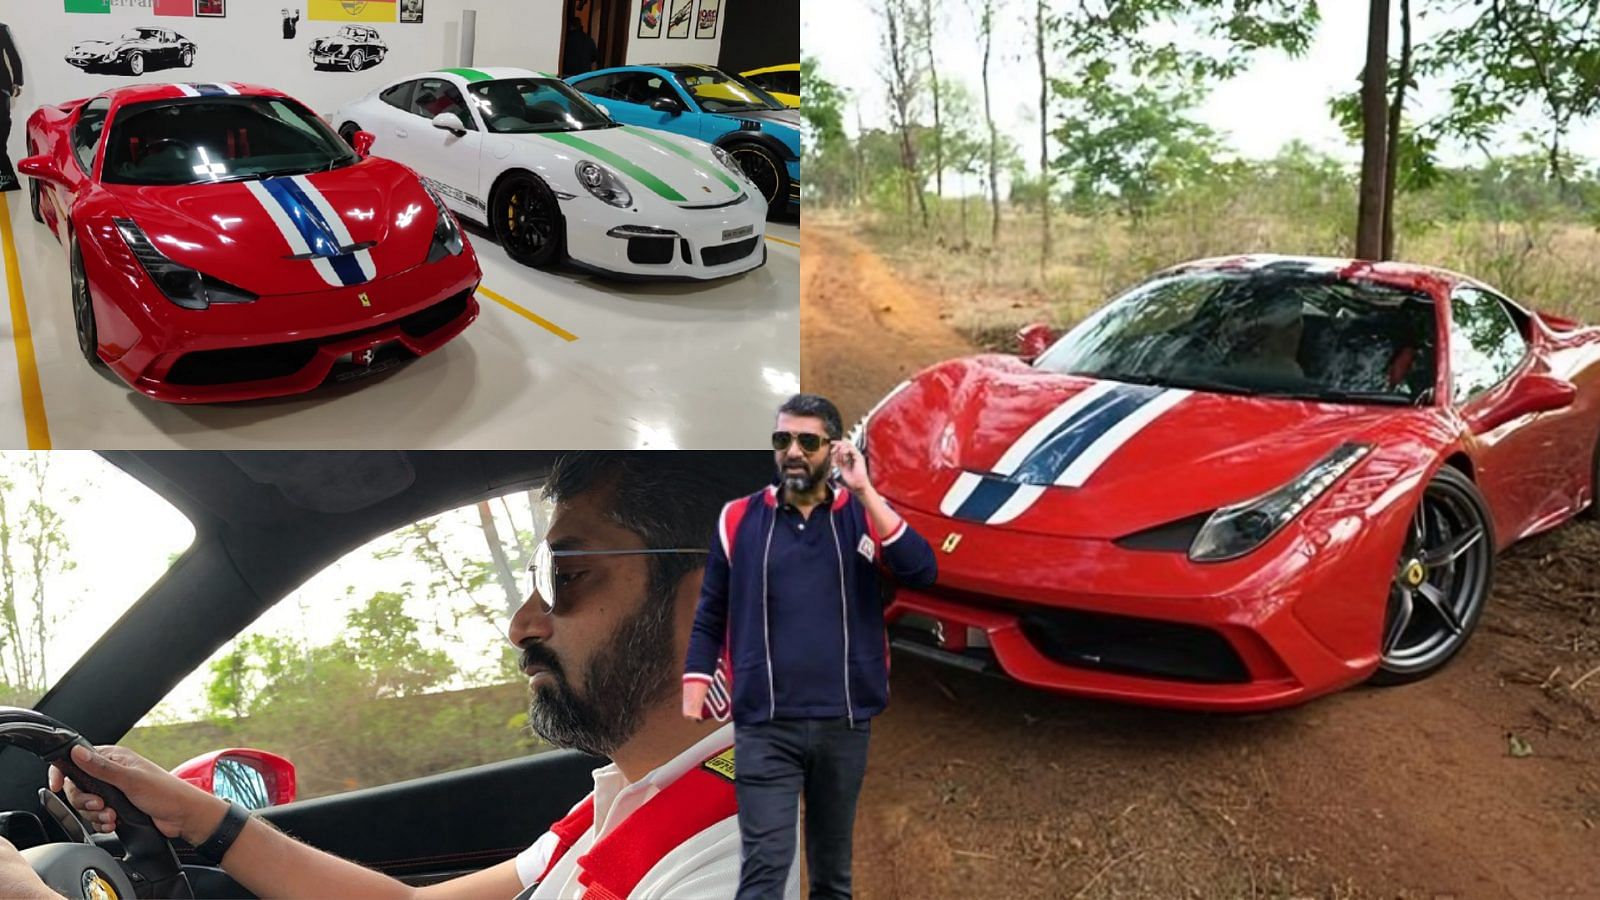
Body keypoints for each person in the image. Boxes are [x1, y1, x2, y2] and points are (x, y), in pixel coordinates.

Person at [0, 452, 799, 900]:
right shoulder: (640, 797)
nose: (521, 621)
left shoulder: (744, 862)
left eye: (567, 576)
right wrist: (207, 819)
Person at [682, 394, 938, 899]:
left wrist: (865, 491)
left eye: (808, 440)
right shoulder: (737, 519)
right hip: (764, 725)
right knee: (765, 867)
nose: (793, 451)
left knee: (831, 874)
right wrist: (696, 681)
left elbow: (921, 570)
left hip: (843, 722)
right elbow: (713, 608)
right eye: (783, 439)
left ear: (834, 448)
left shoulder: (862, 515)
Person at [0, 22, 23, 193]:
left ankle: (7, 178)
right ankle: (7, 177)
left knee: (2, 129)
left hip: (1, 88)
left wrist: (17, 81)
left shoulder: (1, 28)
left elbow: (13, 55)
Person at [561, 3, 598, 77]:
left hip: (568, 73)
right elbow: (595, 57)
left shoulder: (566, 39)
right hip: (583, 75)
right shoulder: (588, 39)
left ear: (571, 26)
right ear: (580, 26)